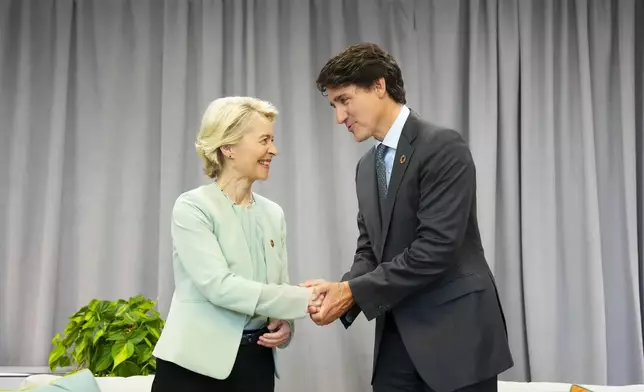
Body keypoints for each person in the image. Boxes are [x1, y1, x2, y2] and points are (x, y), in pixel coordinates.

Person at [303, 43, 514, 392]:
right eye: (333, 105)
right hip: (396, 344)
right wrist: (338, 292)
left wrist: (351, 291)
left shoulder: (443, 146)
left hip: (457, 341)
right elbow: (370, 251)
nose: (339, 117)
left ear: (379, 86)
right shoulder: (365, 169)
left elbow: (435, 249)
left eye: (344, 100)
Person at [151, 96, 323, 392]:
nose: (274, 150)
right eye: (264, 140)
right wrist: (303, 300)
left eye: (273, 140)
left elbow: (278, 286)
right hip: (193, 368)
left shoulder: (273, 213)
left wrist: (284, 322)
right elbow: (219, 286)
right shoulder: (193, 207)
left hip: (256, 364)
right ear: (228, 147)